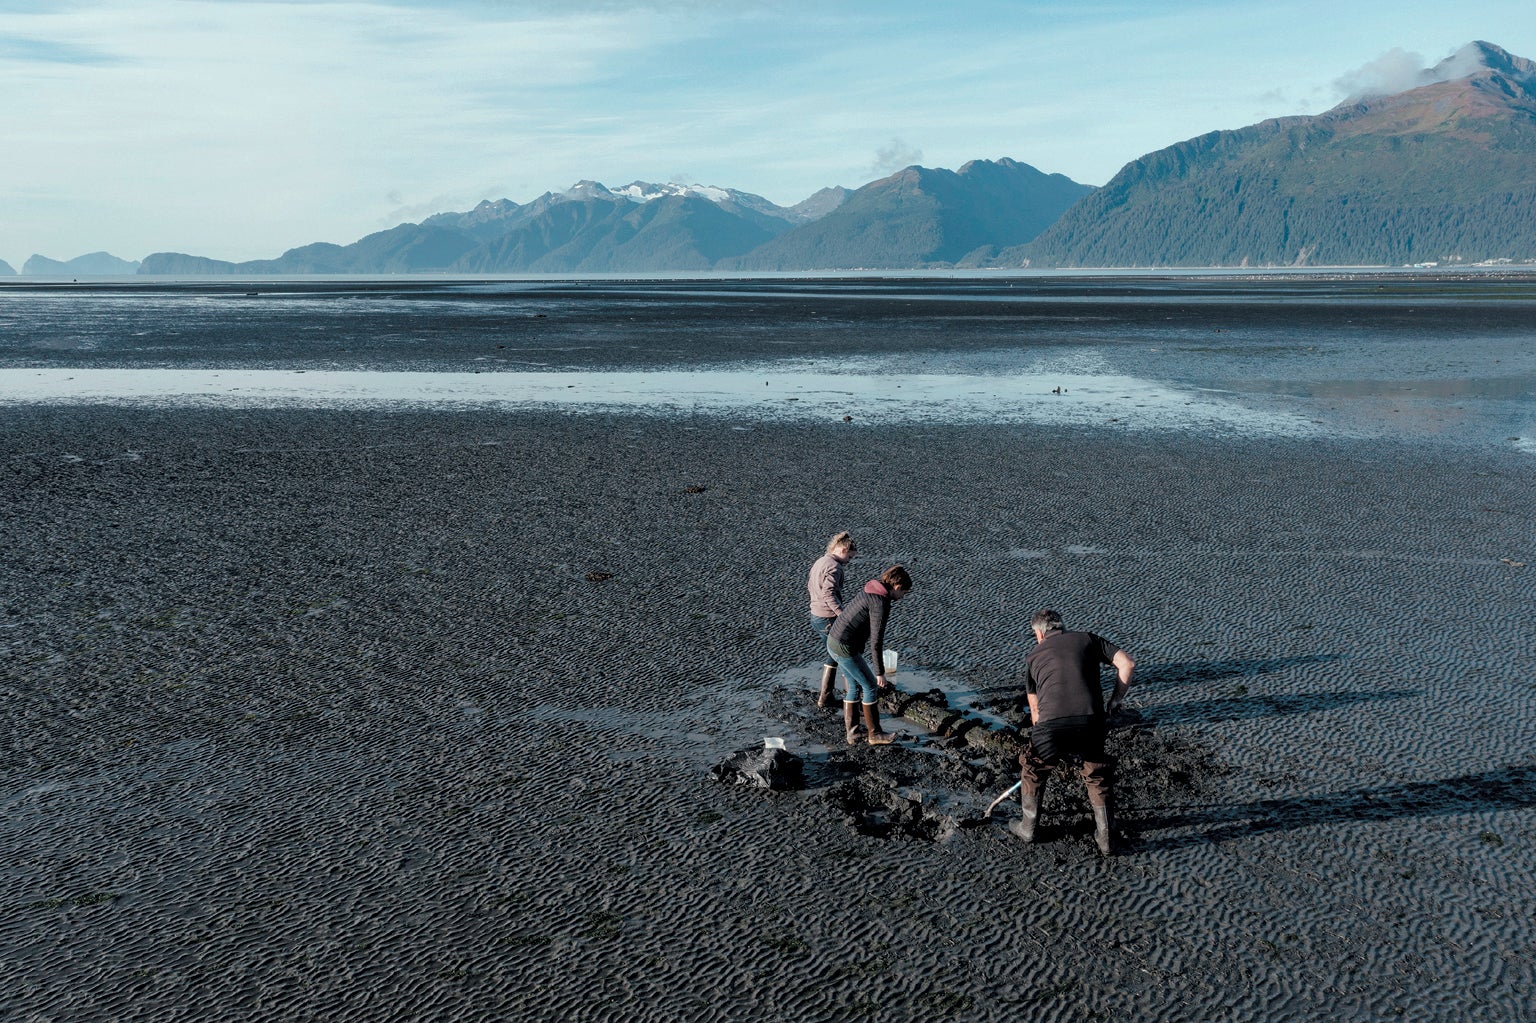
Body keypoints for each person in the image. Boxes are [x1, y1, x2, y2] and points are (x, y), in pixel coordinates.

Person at [1012, 609, 1135, 856]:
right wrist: (1115, 700)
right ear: (1062, 627)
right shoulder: (1088, 639)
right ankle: (1106, 839)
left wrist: (1053, 747)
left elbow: (1035, 713)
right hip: (1091, 721)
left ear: (1039, 634)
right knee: (1096, 773)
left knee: (1034, 768)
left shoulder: (1033, 656)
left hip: (1050, 725)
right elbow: (1127, 664)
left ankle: (1028, 828)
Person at [826, 564, 913, 746]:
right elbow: (876, 642)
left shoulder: (871, 588)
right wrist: (880, 673)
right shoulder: (880, 603)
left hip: (833, 640)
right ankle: (875, 734)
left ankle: (853, 734)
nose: (902, 597)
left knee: (854, 686)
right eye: (903, 593)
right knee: (871, 686)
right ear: (897, 587)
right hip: (843, 647)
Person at [807, 532, 856, 707]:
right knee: (844, 653)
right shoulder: (835, 567)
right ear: (843, 550)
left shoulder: (820, 561)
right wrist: (841, 614)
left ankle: (826, 696)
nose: (849, 561)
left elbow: (811, 585)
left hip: (815, 615)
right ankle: (853, 697)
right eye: (850, 557)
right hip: (827, 618)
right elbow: (828, 594)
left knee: (833, 654)